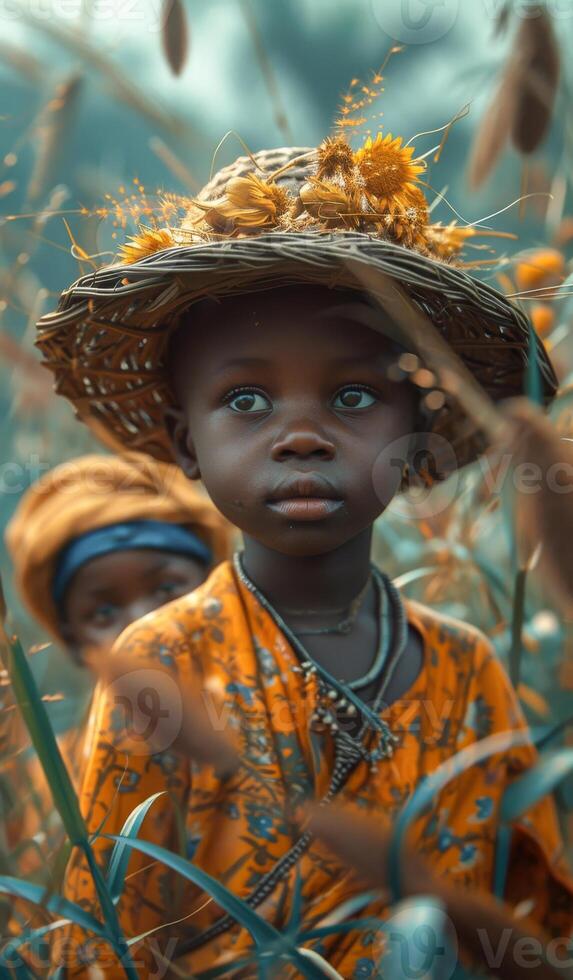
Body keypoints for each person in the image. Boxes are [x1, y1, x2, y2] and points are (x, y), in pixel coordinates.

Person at [35, 136, 573, 977]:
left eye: (353, 396)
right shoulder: (161, 663)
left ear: (417, 434)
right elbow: (105, 945)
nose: (299, 436)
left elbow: (530, 925)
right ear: (186, 444)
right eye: (244, 400)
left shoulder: (467, 669)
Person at [2, 451, 233, 870]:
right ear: (73, 642)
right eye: (103, 613)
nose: (142, 627)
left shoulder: (295, 716)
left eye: (167, 590)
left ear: (219, 591)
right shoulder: (52, 794)